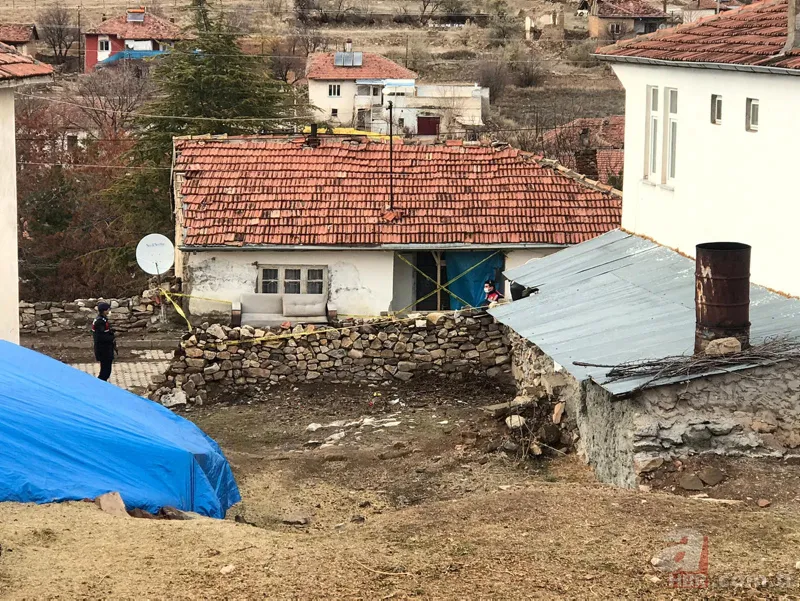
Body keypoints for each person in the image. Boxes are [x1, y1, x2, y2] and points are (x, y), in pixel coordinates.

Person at [92, 302, 116, 381]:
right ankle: (100, 385)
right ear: (104, 311)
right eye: (108, 309)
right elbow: (100, 336)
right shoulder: (99, 321)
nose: (109, 311)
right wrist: (111, 337)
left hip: (106, 348)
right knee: (105, 372)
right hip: (103, 349)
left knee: (107, 370)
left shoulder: (102, 319)